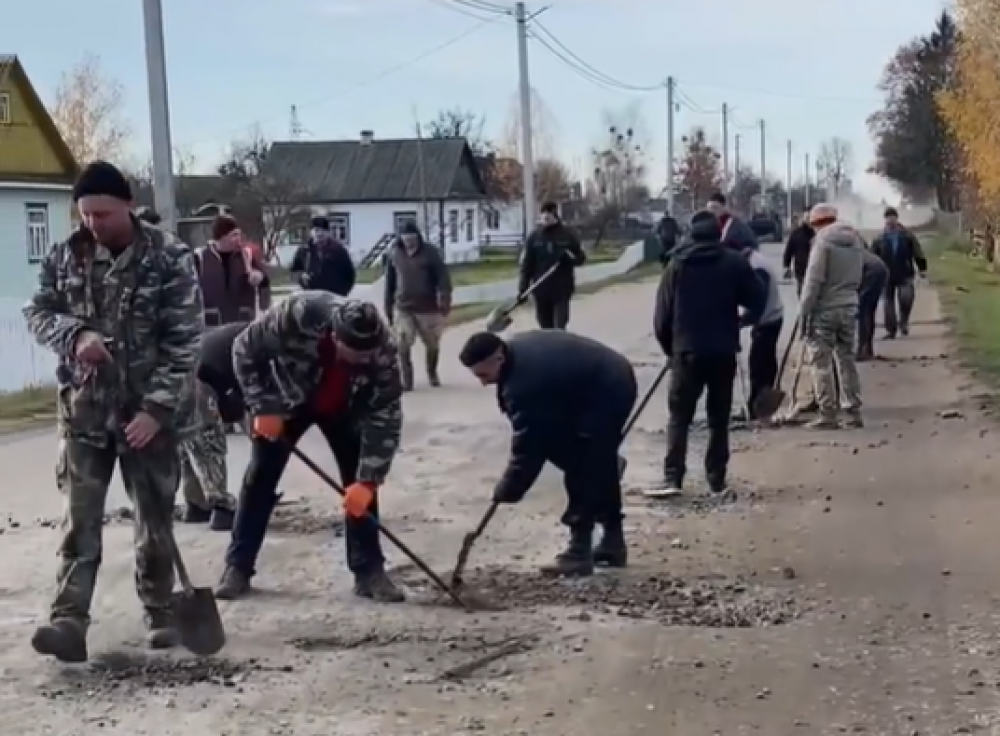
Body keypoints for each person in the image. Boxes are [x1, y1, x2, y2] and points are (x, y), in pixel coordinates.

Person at [22, 160, 204, 663]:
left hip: (150, 417)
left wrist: (155, 410)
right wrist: (74, 335)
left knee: (155, 519)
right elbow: (37, 313)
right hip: (85, 413)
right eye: (85, 215)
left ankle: (162, 611)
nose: (93, 225)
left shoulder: (169, 258)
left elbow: (186, 343)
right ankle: (68, 621)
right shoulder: (67, 257)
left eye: (102, 213)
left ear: (127, 203)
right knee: (79, 521)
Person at [214, 294, 405, 603]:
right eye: (353, 353)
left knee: (359, 483)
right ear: (334, 335)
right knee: (261, 477)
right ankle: (237, 567)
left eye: (366, 356)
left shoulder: (383, 351)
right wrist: (262, 406)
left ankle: (369, 571)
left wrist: (369, 479)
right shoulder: (298, 315)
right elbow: (244, 348)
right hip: (286, 401)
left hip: (344, 406)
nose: (361, 360)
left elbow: (386, 414)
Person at [458, 330, 637, 575]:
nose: (483, 382)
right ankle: (613, 544)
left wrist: (508, 489)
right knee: (592, 461)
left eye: (483, 374)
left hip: (609, 388)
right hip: (584, 387)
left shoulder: (524, 383)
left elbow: (528, 448)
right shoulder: (514, 359)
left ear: (498, 358)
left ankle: (579, 553)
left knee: (584, 463)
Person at [650, 211, 765, 497]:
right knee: (718, 418)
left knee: (679, 417)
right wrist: (743, 321)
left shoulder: (677, 265)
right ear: (718, 233)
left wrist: (671, 349)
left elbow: (661, 316)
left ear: (690, 233)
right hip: (722, 350)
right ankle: (716, 480)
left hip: (686, 352)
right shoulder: (734, 263)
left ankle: (673, 478)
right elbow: (759, 298)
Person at [797, 203, 865, 429]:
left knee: (820, 362)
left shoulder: (822, 243)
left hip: (825, 309)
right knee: (847, 359)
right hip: (849, 306)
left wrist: (804, 311)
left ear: (818, 223)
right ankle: (853, 411)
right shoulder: (856, 241)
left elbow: (813, 281)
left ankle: (827, 413)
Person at [384, 221, 453, 390]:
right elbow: (389, 283)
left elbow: (443, 277)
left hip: (427, 307)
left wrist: (444, 297)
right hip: (403, 307)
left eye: (411, 236)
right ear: (400, 237)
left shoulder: (430, 253)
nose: (408, 240)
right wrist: (388, 307)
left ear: (417, 236)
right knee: (402, 342)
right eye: (405, 236)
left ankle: (432, 372)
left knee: (432, 344)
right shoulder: (394, 254)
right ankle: (407, 379)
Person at [518, 202, 587, 329]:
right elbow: (527, 265)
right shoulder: (534, 238)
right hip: (541, 289)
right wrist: (523, 289)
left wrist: (570, 259)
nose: (546, 219)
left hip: (561, 289)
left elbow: (581, 258)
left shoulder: (567, 235)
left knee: (559, 326)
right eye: (544, 216)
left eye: (549, 216)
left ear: (555, 215)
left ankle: (561, 346)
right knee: (545, 327)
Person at [194, 214, 271, 327]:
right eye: (234, 235)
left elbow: (264, 282)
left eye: (239, 234)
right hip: (213, 326)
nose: (239, 239)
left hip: (243, 323)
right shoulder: (201, 257)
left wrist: (259, 277)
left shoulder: (247, 254)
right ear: (222, 237)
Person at [870, 207, 927, 338]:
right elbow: (873, 257)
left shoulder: (907, 235)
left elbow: (917, 252)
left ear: (897, 218)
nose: (890, 219)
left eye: (892, 217)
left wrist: (922, 268)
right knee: (888, 304)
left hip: (905, 272)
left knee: (906, 299)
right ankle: (891, 330)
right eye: (888, 217)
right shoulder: (879, 238)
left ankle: (904, 322)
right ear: (885, 219)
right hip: (886, 274)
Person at [743, 244, 785, 419]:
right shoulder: (756, 261)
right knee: (765, 361)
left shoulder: (756, 267)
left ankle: (758, 408)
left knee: (758, 365)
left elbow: (758, 300)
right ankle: (759, 406)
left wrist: (742, 321)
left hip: (768, 319)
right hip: (772, 316)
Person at [290, 216, 357, 296]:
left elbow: (349, 275)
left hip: (332, 296)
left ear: (328, 233)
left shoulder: (338, 250)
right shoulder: (304, 250)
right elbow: (295, 271)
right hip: (310, 296)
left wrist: (341, 293)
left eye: (323, 230)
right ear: (311, 232)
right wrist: (301, 277)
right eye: (316, 230)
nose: (320, 234)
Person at [857, 247, 889, 362]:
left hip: (870, 271)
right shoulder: (851, 244)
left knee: (860, 311)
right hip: (880, 268)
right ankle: (867, 349)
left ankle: (861, 350)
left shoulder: (828, 248)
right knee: (869, 310)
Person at [783, 207, 815, 295]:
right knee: (803, 293)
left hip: (816, 270)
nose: (809, 220)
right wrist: (787, 266)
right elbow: (789, 250)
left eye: (810, 217)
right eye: (807, 217)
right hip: (801, 270)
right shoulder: (796, 234)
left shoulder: (819, 233)